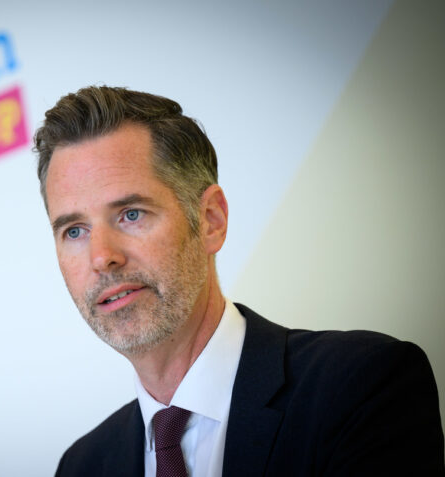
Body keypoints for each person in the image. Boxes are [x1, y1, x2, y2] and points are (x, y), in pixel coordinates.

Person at [34, 85, 444, 477]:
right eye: (74, 231)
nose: (102, 257)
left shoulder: (358, 388)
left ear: (211, 220)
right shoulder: (82, 465)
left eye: (132, 214)